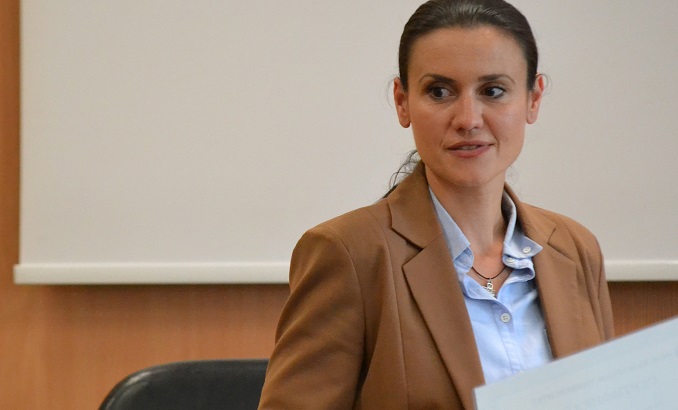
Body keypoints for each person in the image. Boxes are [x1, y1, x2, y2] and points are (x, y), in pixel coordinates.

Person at [258, 0, 614, 408]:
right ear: (402, 101)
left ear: (533, 99)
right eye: (440, 92)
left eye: (493, 91)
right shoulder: (349, 254)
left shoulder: (575, 249)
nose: (468, 119)